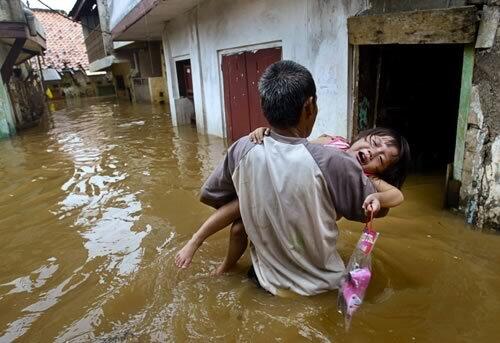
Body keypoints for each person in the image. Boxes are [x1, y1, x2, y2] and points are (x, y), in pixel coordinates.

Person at [181, 60, 393, 296]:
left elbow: (212, 196)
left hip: (263, 283)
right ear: (309, 107)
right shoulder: (336, 163)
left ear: (264, 106)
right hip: (324, 290)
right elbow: (376, 210)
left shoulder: (242, 149)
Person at [175, 127, 410, 272]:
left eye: (381, 159)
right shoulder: (332, 141)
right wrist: (265, 131)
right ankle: (209, 251)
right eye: (375, 143)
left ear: (381, 170)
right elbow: (295, 145)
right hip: (280, 191)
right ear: (365, 135)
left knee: (242, 222)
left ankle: (228, 261)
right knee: (238, 224)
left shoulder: (366, 177)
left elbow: (397, 195)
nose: (372, 153)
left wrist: (377, 197)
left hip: (299, 215)